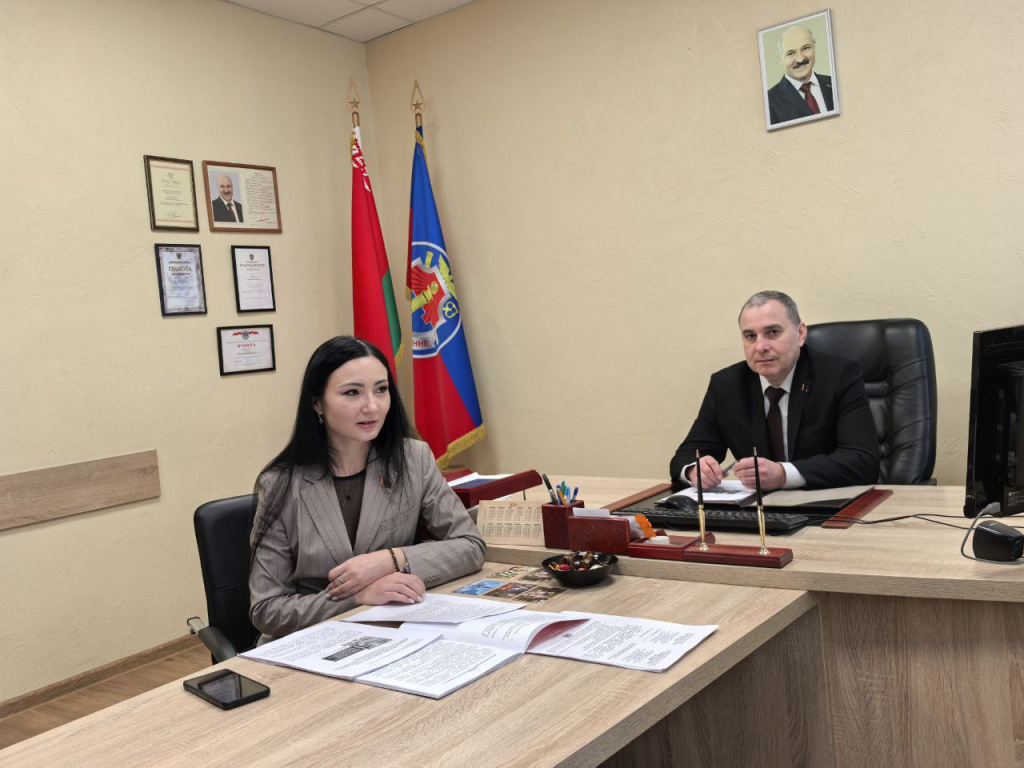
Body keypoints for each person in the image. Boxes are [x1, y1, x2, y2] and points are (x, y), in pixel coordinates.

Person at [249, 336, 485, 643]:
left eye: (381, 389)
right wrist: (357, 597)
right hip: (311, 642)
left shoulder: (413, 459)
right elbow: (267, 610)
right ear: (317, 402)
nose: (372, 406)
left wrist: (392, 559)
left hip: (394, 633)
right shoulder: (280, 484)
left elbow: (470, 546)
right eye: (352, 392)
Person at [670, 291, 879, 492]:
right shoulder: (726, 385)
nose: (760, 346)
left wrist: (783, 474)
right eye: (750, 336)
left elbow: (863, 461)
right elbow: (685, 456)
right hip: (757, 510)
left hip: (827, 506)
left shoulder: (838, 376)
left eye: (772, 332)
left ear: (800, 334)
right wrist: (694, 471)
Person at [766, 26, 835, 126]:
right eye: (790, 53)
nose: (800, 59)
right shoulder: (769, 102)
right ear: (780, 58)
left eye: (805, 48)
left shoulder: (833, 83)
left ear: (814, 47)